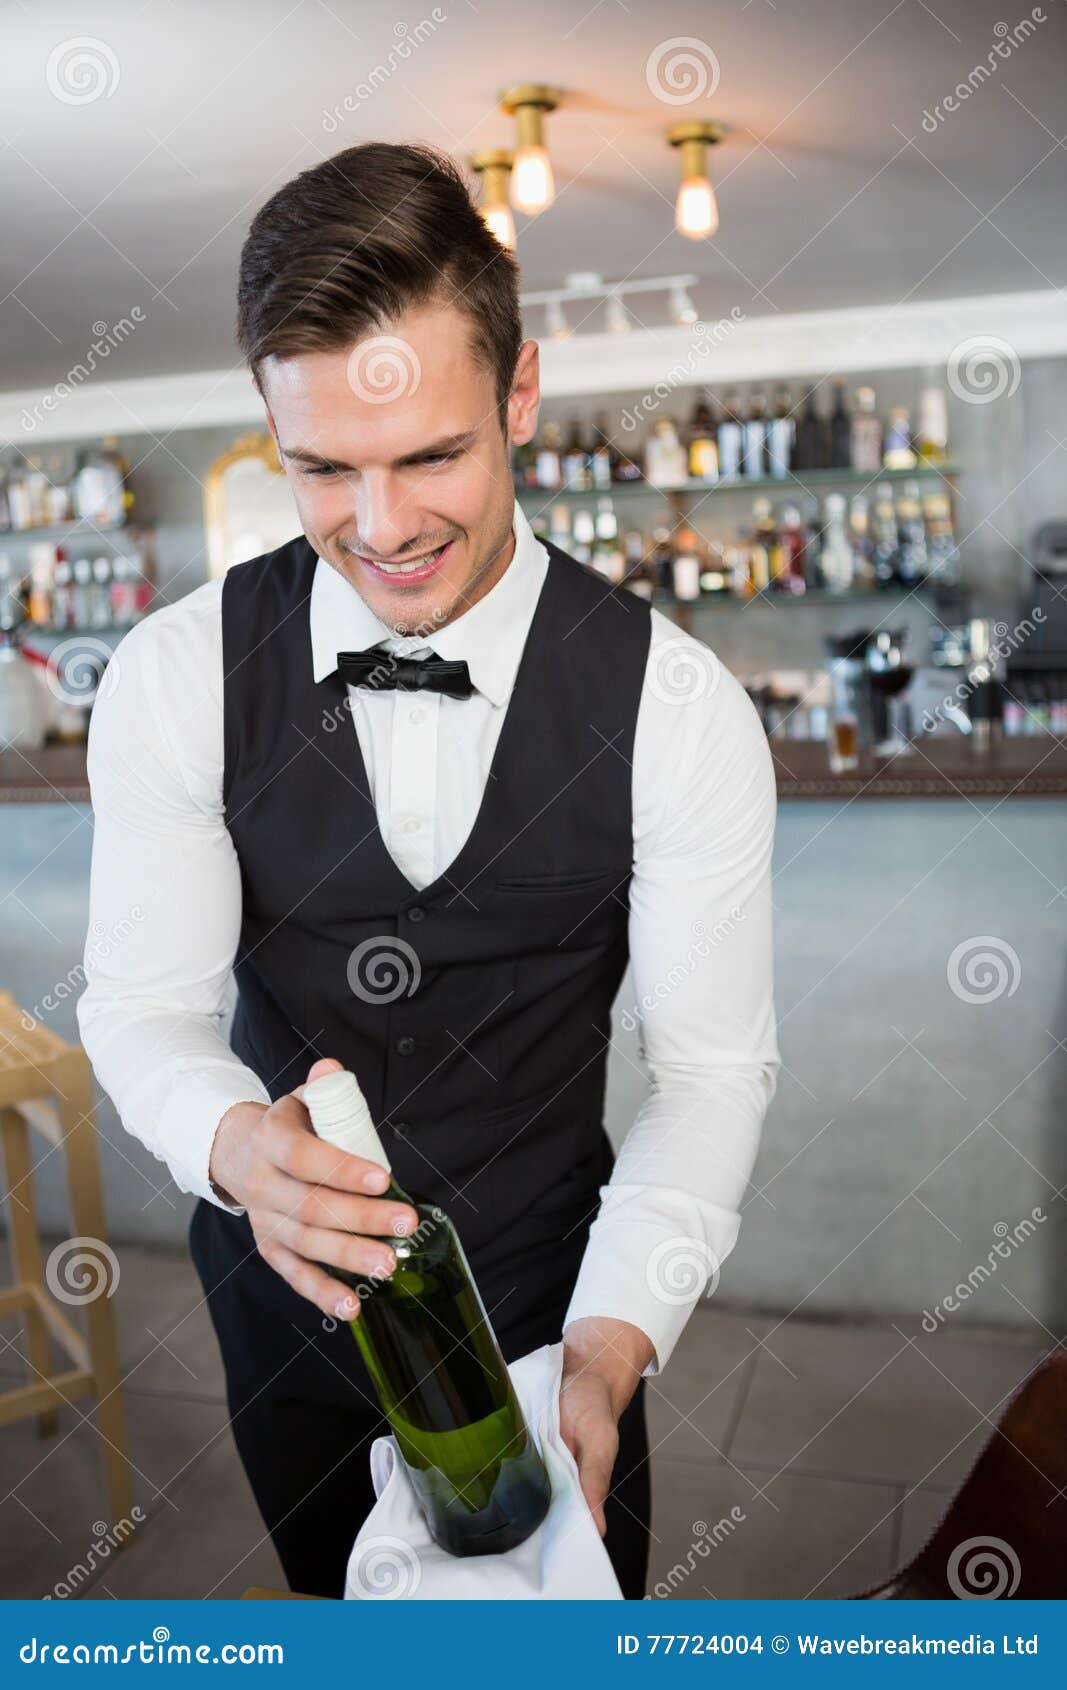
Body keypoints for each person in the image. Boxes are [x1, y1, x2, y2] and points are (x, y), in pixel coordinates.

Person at [77, 141, 779, 1600]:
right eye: (323, 468)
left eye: (430, 456)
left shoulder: (675, 705)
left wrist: (610, 1348)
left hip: (553, 1321)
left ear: (521, 394)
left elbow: (710, 1076)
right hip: (287, 1321)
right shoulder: (176, 675)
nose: (383, 528)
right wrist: (234, 1148)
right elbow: (144, 1008)